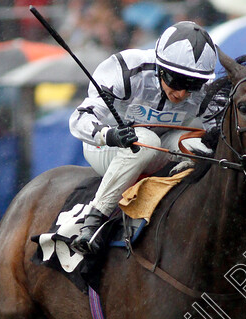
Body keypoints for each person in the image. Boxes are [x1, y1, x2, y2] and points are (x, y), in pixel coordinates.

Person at [68, 20, 220, 255]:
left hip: (160, 146)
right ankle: (94, 221)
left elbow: (218, 132)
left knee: (201, 148)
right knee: (147, 141)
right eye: (176, 81)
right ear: (160, 67)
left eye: (193, 85)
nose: (182, 93)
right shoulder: (125, 69)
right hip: (109, 147)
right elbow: (77, 120)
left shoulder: (206, 89)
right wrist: (110, 135)